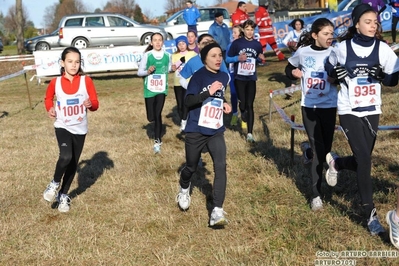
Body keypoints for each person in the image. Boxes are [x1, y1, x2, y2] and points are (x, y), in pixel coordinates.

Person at [325, 3, 399, 235]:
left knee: (361, 160)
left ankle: (337, 163)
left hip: (372, 110)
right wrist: (333, 74)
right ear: (357, 24)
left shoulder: (383, 49)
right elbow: (329, 67)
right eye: (368, 21)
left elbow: (393, 79)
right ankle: (370, 216)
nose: (373, 25)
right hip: (349, 110)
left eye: (375, 22)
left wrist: (383, 78)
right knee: (365, 160)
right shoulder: (343, 48)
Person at [175, 42, 232, 227]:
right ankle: (184, 188)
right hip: (196, 129)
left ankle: (217, 210)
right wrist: (208, 92)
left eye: (220, 55)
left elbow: (219, 95)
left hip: (215, 129)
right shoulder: (198, 77)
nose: (218, 59)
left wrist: (224, 103)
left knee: (221, 166)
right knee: (191, 167)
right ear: (205, 58)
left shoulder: (224, 76)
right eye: (213, 56)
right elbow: (189, 101)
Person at [284, 18, 337, 211]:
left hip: (330, 106)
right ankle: (316, 195)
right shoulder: (303, 52)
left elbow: (342, 74)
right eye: (325, 33)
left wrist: (336, 77)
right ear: (315, 35)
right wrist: (293, 74)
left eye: (331, 33)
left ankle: (311, 152)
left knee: (326, 150)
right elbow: (288, 68)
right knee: (319, 150)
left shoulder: (336, 52)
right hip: (310, 106)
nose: (329, 37)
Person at [43, 46, 99, 213]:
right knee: (65, 156)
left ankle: (63, 195)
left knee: (73, 163)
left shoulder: (86, 81)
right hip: (63, 126)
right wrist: (49, 108)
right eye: (70, 62)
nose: (74, 65)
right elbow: (48, 98)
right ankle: (53, 183)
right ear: (62, 63)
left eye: (77, 62)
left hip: (80, 129)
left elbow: (95, 103)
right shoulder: (55, 82)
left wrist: (91, 104)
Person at [227, 20, 265, 143]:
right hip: (239, 78)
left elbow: (259, 59)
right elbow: (227, 59)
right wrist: (238, 58)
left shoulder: (257, 44)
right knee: (243, 104)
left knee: (250, 105)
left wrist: (261, 60)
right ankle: (241, 110)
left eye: (252, 29)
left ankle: (249, 133)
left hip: (251, 78)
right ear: (243, 30)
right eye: (247, 29)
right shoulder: (237, 43)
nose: (250, 32)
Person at [137, 32, 172, 154]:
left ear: (163, 42)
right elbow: (139, 72)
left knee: (158, 114)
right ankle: (154, 127)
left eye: (160, 40)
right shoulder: (147, 55)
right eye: (155, 40)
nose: (157, 42)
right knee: (151, 117)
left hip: (162, 89)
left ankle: (157, 141)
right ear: (151, 43)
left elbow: (168, 69)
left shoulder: (167, 55)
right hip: (149, 90)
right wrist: (148, 71)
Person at [171, 35, 197, 132]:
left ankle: (184, 123)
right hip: (178, 83)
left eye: (183, 43)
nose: (181, 46)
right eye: (179, 44)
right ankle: (183, 118)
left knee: (188, 103)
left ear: (187, 44)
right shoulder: (174, 55)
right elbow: (173, 68)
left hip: (188, 82)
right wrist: (180, 61)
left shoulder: (192, 53)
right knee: (180, 105)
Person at [225, 25, 244, 126]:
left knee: (243, 96)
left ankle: (244, 117)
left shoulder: (245, 45)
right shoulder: (230, 46)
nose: (233, 35)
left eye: (235, 33)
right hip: (232, 73)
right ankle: (235, 114)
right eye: (232, 33)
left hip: (243, 73)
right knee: (234, 94)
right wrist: (237, 58)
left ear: (240, 34)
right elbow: (227, 59)